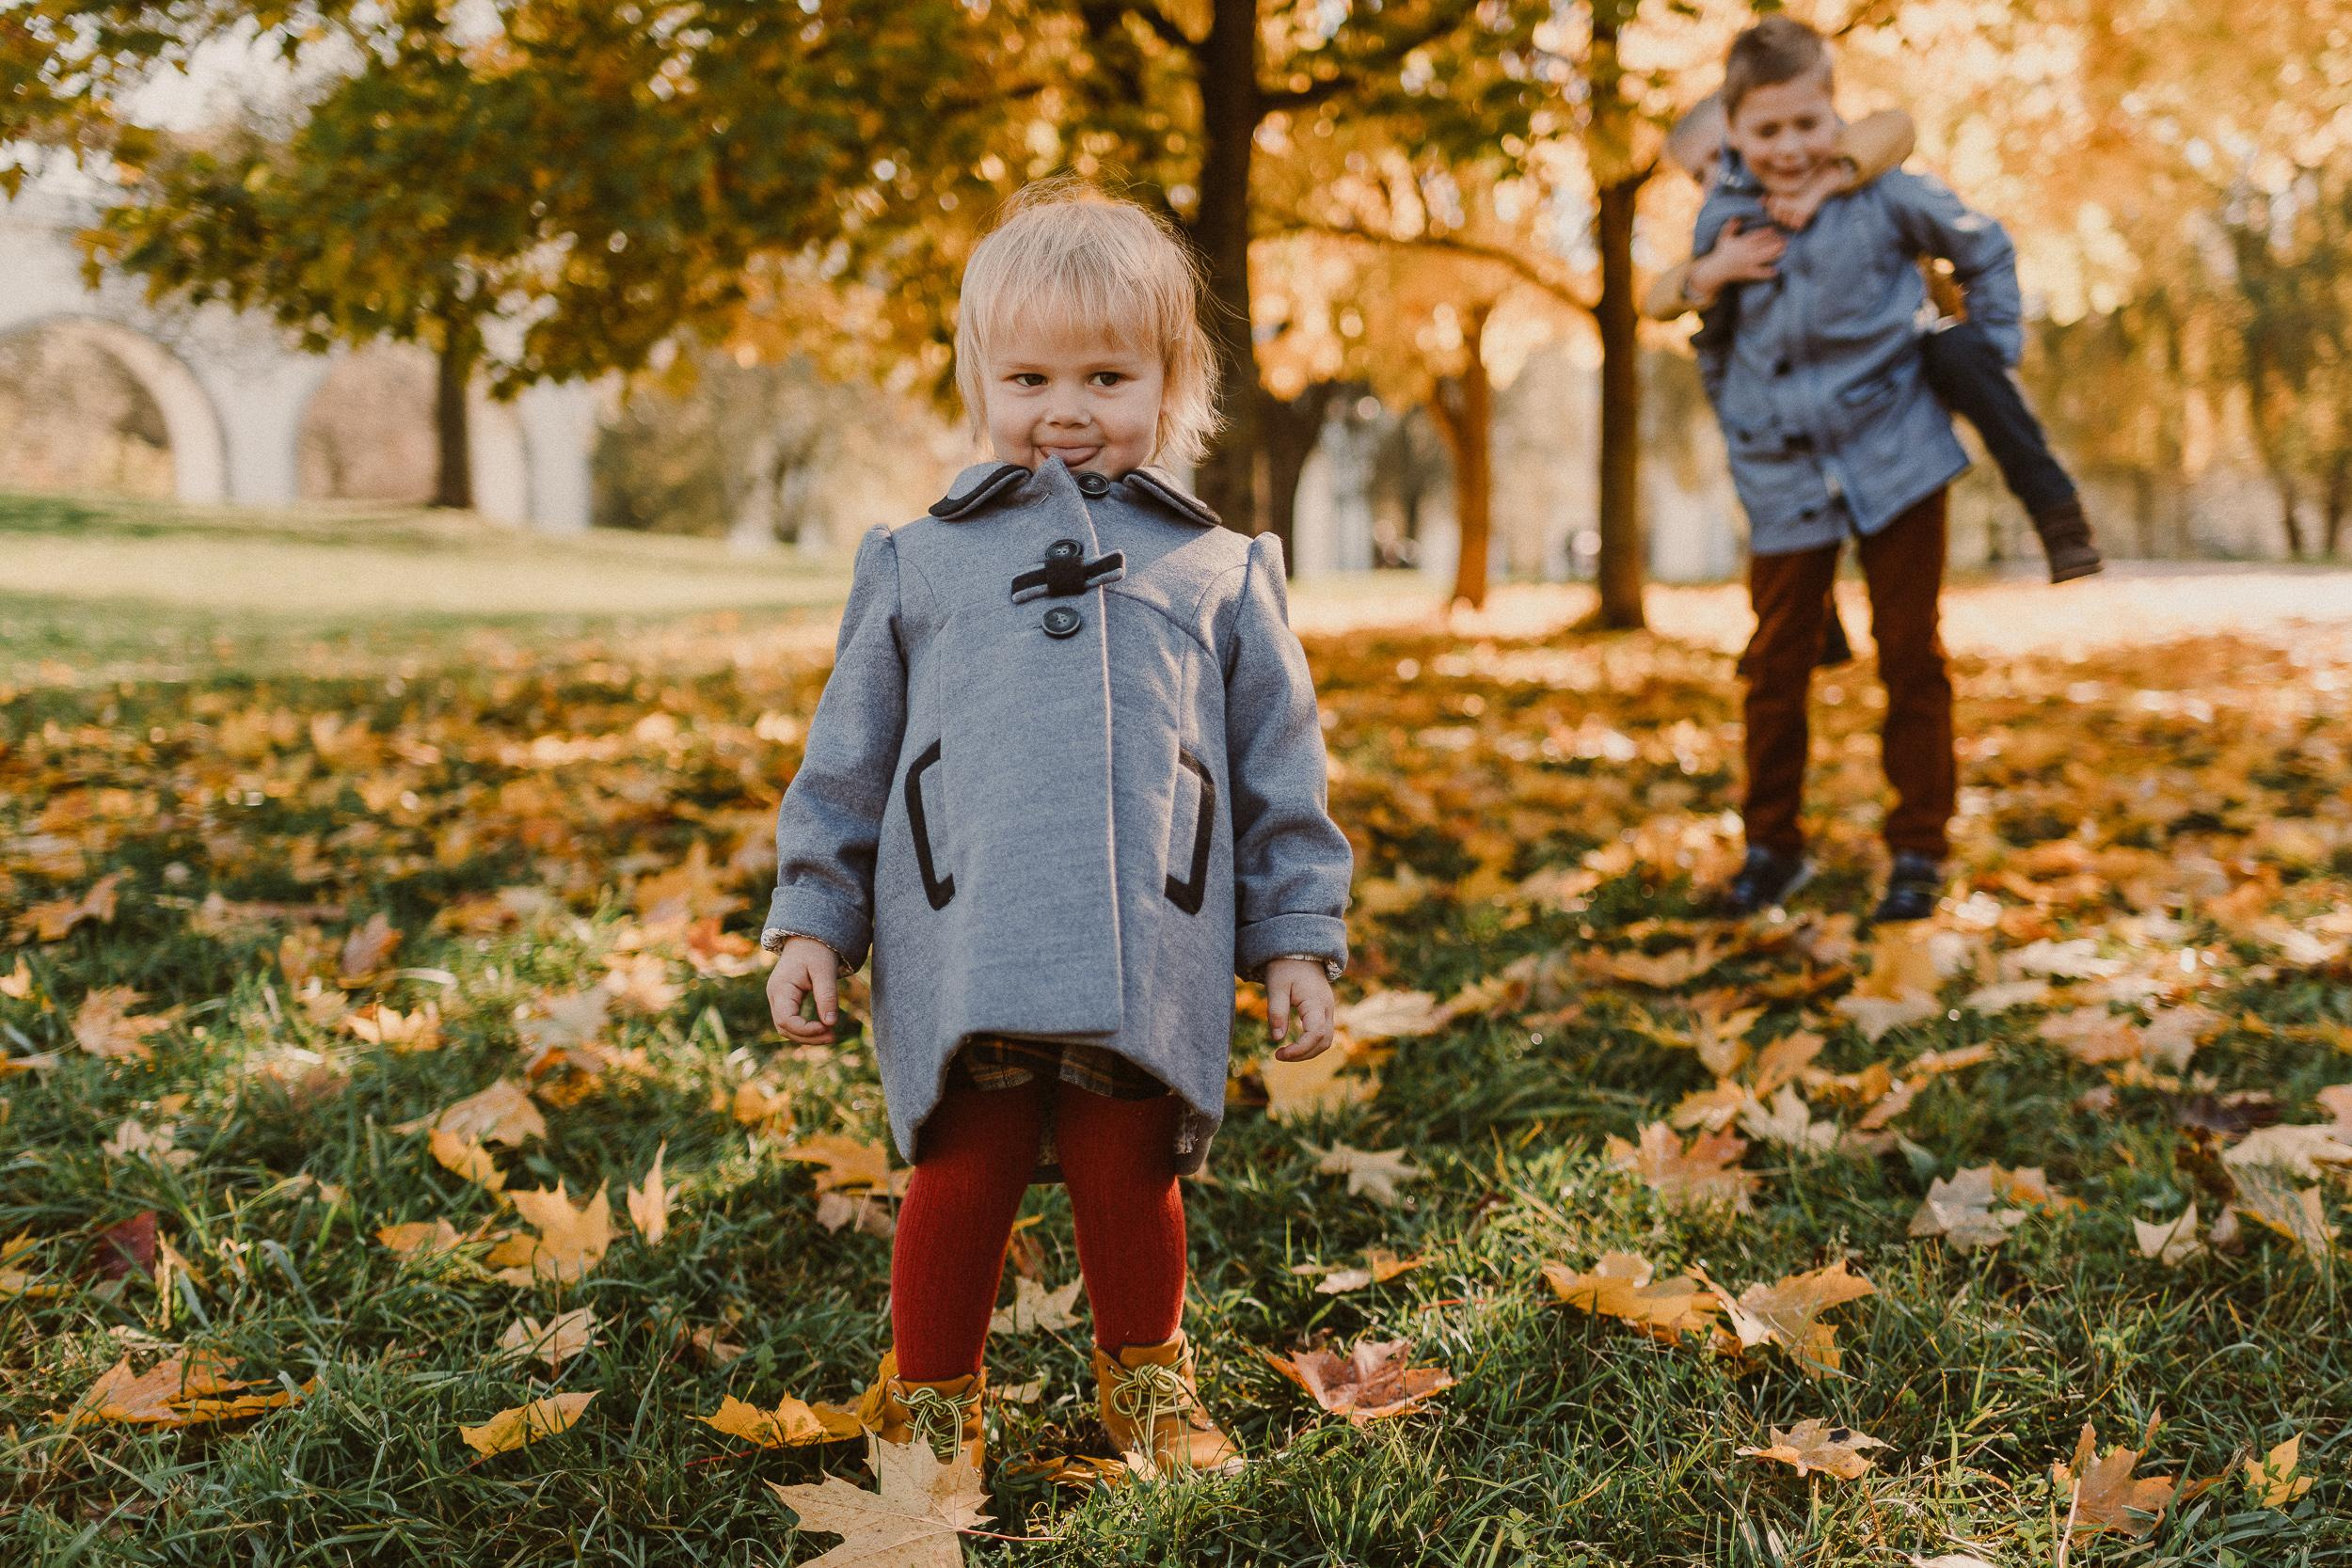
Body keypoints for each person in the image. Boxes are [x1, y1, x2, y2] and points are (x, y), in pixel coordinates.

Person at [761, 181, 1352, 1480]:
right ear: (979, 378)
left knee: (1128, 1163)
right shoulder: (918, 559)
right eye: (1029, 375)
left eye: (1106, 374)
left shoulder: (1222, 567)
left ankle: (1145, 1372)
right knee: (958, 1167)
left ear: (1172, 381)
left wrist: (1297, 937)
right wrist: (814, 915)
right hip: (962, 926)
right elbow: (846, 760)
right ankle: (931, 1393)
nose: (1068, 410)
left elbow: (1277, 772)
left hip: (1155, 924)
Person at [1691, 15, 2026, 923]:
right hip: (1785, 477)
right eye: (1768, 130)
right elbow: (1711, 343)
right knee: (1773, 666)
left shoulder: (1887, 197)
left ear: (1835, 117)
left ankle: (1918, 846)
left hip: (1898, 458)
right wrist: (1740, 417)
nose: (1790, 147)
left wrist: (1986, 361)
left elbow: (1984, 245)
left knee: (1911, 653)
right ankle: (1771, 847)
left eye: (1809, 123)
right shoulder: (1723, 218)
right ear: (1735, 133)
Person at [1652, 91, 2102, 587]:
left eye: (1723, 156)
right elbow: (1657, 299)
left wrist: (1826, 182)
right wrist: (1713, 270)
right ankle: (1819, 621)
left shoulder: (1855, 176)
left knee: (1959, 352)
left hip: (1907, 366)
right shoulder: (1728, 231)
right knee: (1779, 464)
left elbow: (1893, 128)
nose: (1717, 177)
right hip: (1808, 404)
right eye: (1699, 175)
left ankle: (2055, 511)